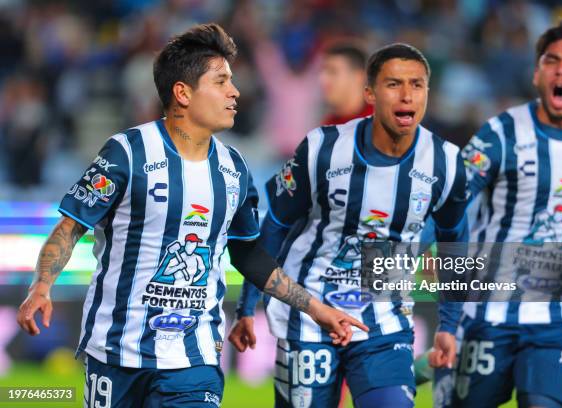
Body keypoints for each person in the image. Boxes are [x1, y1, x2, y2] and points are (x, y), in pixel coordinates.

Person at [15, 23, 367, 408]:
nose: (234, 92)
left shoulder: (234, 169)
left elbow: (248, 254)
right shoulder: (128, 152)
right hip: (116, 354)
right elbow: (71, 227)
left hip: (194, 358)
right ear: (182, 93)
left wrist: (315, 309)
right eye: (221, 82)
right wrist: (41, 287)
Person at [229, 43, 469, 408]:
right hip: (308, 318)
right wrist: (248, 305)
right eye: (394, 84)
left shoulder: (446, 163)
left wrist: (449, 326)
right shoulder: (322, 148)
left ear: (427, 93)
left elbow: (455, 244)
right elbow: (275, 226)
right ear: (370, 93)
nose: (406, 95)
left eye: (416, 85)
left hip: (384, 324)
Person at [441, 20, 562, 408]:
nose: (561, 70)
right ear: (537, 72)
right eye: (551, 60)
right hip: (488, 313)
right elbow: (450, 203)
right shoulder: (499, 133)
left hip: (559, 320)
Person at [319, 43, 373, 125]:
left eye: (332, 71)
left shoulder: (384, 122)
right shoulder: (329, 126)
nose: (323, 79)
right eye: (323, 72)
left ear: (359, 77)